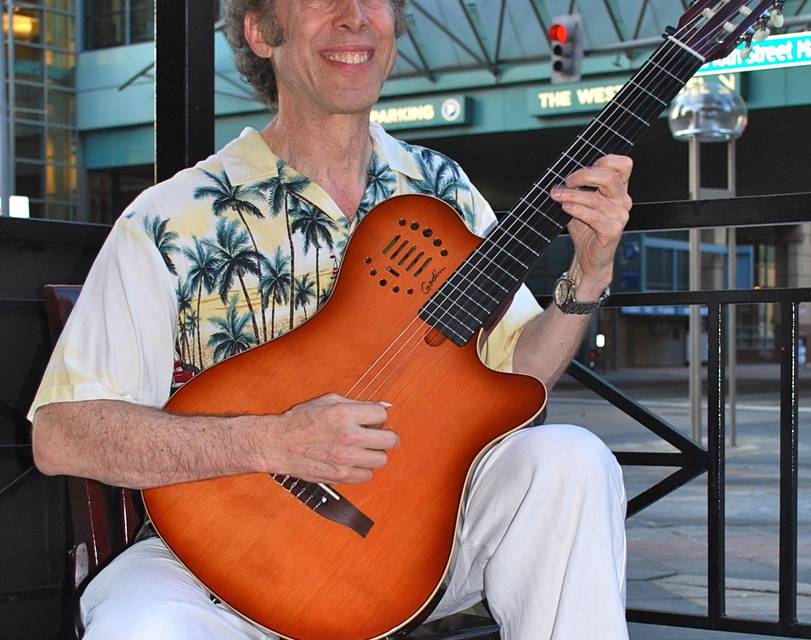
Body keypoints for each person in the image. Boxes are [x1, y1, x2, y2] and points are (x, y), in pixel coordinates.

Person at [28, 1, 634, 638]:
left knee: (571, 458)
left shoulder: (440, 189)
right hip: (216, 555)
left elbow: (517, 374)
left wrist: (588, 275)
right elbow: (63, 434)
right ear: (262, 32)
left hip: (414, 541)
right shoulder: (171, 217)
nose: (354, 17)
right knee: (139, 627)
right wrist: (273, 441)